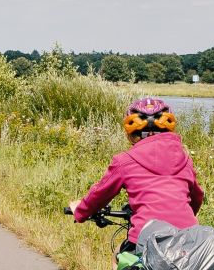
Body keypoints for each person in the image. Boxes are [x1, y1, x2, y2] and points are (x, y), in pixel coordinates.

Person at [68, 98, 204, 251]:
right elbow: (197, 197)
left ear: (131, 134)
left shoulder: (125, 160)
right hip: (187, 238)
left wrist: (80, 210)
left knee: (119, 254)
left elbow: (100, 193)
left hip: (146, 238)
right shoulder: (184, 157)